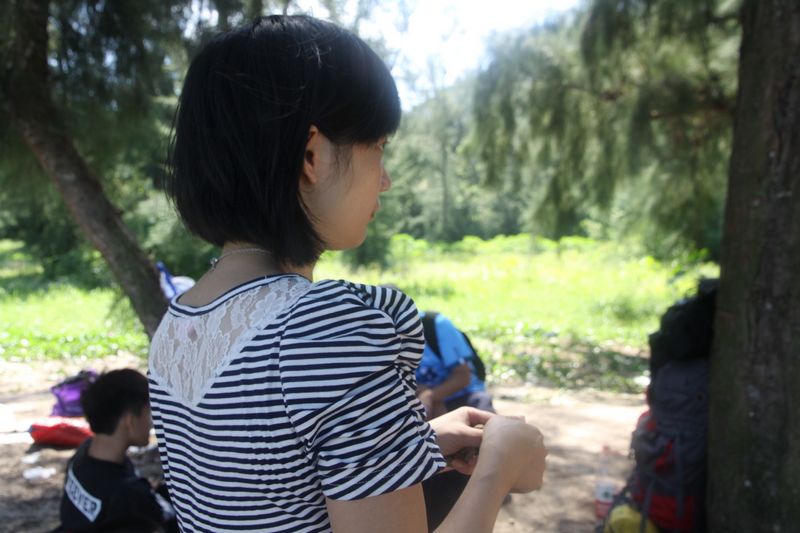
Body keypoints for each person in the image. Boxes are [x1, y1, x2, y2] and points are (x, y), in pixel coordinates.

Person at [148, 14, 547, 532]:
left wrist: (412, 442)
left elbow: (269, 484)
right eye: (377, 146)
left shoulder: (179, 323)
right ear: (311, 155)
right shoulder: (327, 328)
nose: (385, 179)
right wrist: (499, 467)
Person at [58, 369, 176, 532]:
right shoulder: (129, 496)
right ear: (130, 421)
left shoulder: (83, 454)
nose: (151, 422)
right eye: (148, 413)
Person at [417, 311, 495, 419]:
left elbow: (463, 376)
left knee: (486, 421)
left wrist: (430, 395)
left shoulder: (435, 324)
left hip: (465, 395)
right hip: (425, 403)